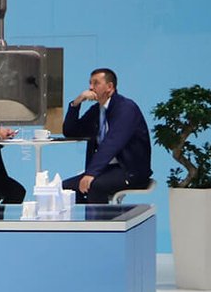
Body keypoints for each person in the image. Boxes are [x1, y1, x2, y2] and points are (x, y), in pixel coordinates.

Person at [60, 67, 152, 205]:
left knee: (94, 186)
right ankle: (84, 218)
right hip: (107, 169)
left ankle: (100, 219)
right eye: (90, 83)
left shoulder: (126, 108)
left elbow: (112, 142)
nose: (91, 87)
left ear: (109, 87)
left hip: (130, 170)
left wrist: (91, 173)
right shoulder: (97, 110)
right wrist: (76, 103)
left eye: (96, 83)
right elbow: (70, 131)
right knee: (66, 188)